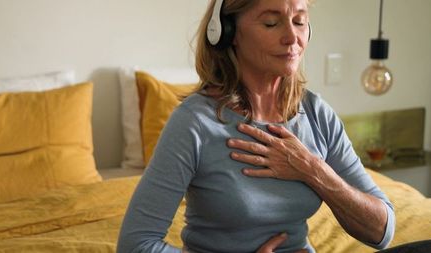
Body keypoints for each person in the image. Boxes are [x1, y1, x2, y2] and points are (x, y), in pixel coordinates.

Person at [117, 0, 395, 252]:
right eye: (271, 23)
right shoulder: (194, 123)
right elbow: (135, 244)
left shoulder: (316, 113)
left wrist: (313, 170)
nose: (291, 38)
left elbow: (381, 231)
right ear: (228, 32)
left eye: (299, 21)